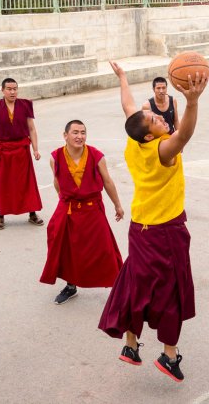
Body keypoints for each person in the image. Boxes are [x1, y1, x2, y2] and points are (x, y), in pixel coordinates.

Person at [98, 60, 207, 383]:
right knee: (171, 291)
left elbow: (130, 108)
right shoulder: (163, 151)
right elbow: (184, 134)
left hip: (139, 226)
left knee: (135, 283)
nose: (159, 117)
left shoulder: (135, 142)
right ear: (150, 134)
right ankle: (169, 355)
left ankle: (131, 344)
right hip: (165, 230)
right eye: (154, 120)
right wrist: (192, 102)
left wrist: (123, 78)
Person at [40, 120, 124, 305]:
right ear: (65, 135)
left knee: (104, 248)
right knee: (66, 248)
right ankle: (71, 286)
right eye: (75, 132)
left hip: (92, 207)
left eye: (83, 133)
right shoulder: (55, 157)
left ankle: (119, 286)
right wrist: (63, 201)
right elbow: (57, 181)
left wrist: (117, 204)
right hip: (69, 207)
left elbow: (108, 182)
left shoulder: (96, 155)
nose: (80, 137)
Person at [0, 78, 43, 229]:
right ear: (2, 90)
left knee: (26, 182)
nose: (12, 92)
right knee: (2, 183)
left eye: (15, 88)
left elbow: (32, 129)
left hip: (22, 150)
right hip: (3, 151)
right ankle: (0, 215)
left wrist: (35, 149)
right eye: (9, 89)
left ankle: (32, 213)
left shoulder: (25, 105)